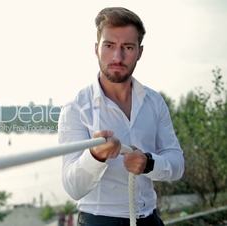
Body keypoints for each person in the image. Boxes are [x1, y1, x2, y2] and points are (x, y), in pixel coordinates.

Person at [58, 7, 184, 226]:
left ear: (140, 52)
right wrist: (96, 156)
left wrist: (149, 163)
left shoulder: (154, 102)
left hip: (150, 220)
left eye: (127, 47)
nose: (117, 57)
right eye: (109, 46)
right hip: (98, 221)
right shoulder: (75, 108)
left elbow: (177, 164)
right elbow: (73, 188)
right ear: (96, 49)